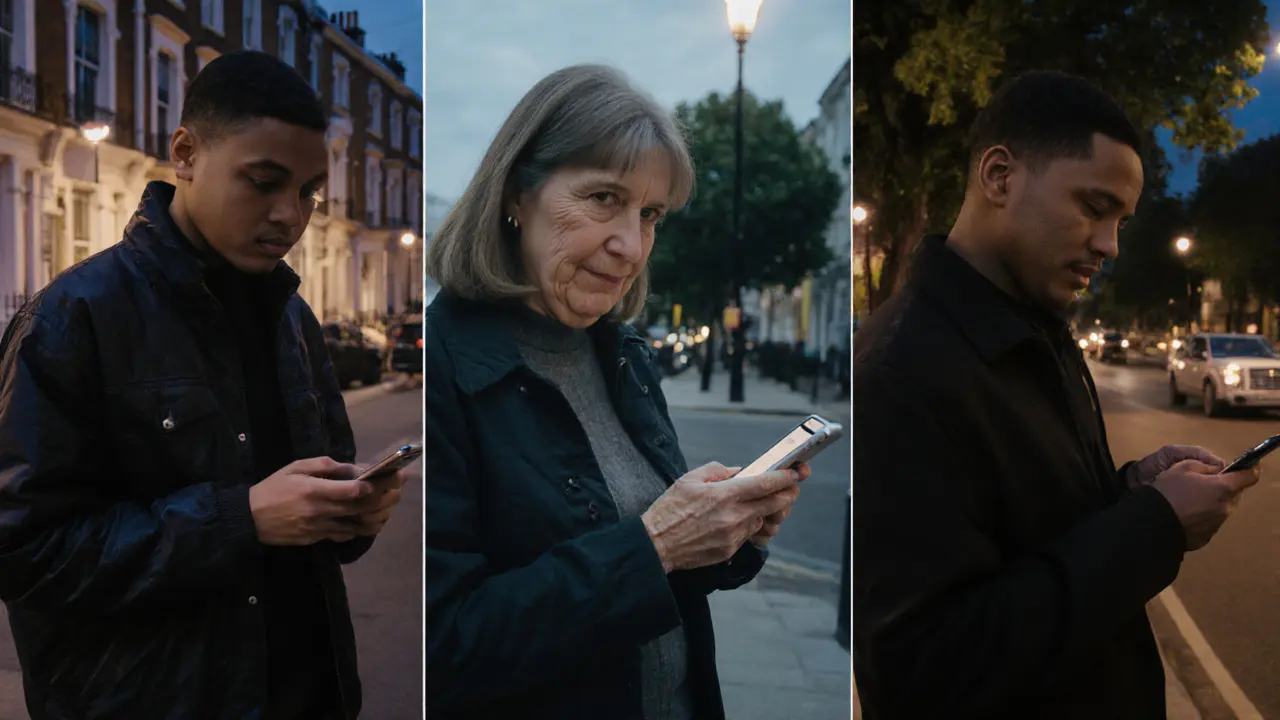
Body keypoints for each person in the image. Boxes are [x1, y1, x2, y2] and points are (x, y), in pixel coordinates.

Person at [0, 51, 408, 719]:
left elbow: (315, 502)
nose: (290, 214)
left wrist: (352, 514)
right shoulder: (72, 318)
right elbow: (21, 552)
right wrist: (240, 520)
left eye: (308, 191)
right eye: (263, 181)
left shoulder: (293, 319)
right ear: (185, 153)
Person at [851, 70, 1261, 719]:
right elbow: (923, 670)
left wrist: (1132, 493)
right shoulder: (899, 371)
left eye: (1122, 220)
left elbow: (1032, 532)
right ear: (999, 177)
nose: (1110, 245)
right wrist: (1154, 526)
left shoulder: (1037, 328)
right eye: (1094, 208)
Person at [424, 64, 807, 720]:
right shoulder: (444, 369)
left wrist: (726, 532)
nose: (632, 245)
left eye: (650, 213)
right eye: (604, 198)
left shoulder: (621, 348)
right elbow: (446, 648)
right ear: (517, 193)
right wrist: (657, 543)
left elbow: (655, 562)